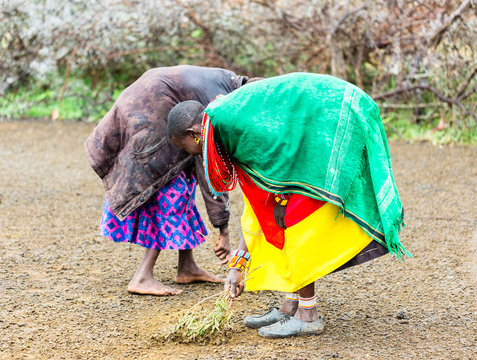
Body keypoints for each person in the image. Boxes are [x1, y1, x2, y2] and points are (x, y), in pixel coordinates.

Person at [167, 73, 411, 336]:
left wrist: (283, 197)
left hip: (331, 115)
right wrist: (237, 265)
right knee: (268, 216)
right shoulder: (217, 125)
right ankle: (289, 308)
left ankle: (308, 315)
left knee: (294, 221)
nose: (190, 155)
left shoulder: (228, 123)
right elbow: (255, 204)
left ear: (194, 134)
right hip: (308, 126)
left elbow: (281, 151)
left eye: (186, 148)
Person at [84, 65, 248, 296]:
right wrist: (223, 228)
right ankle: (142, 276)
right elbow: (209, 163)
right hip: (148, 119)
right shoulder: (219, 99)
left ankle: (187, 267)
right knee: (169, 195)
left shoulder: (224, 82)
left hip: (153, 110)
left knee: (183, 187)